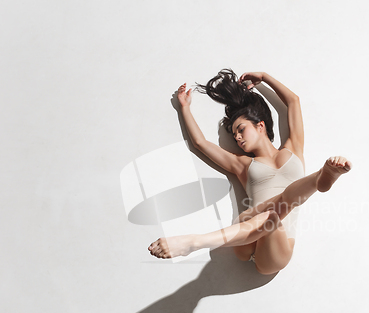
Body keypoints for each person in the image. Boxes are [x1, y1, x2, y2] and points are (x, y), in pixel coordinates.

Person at [148, 69, 352, 275]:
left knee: (274, 215)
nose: (237, 137)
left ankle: (322, 176)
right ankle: (321, 178)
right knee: (279, 205)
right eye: (234, 134)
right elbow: (200, 143)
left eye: (241, 129)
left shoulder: (293, 147)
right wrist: (184, 108)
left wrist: (264, 78)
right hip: (245, 236)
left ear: (260, 125)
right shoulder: (242, 164)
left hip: (274, 249)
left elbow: (293, 101)